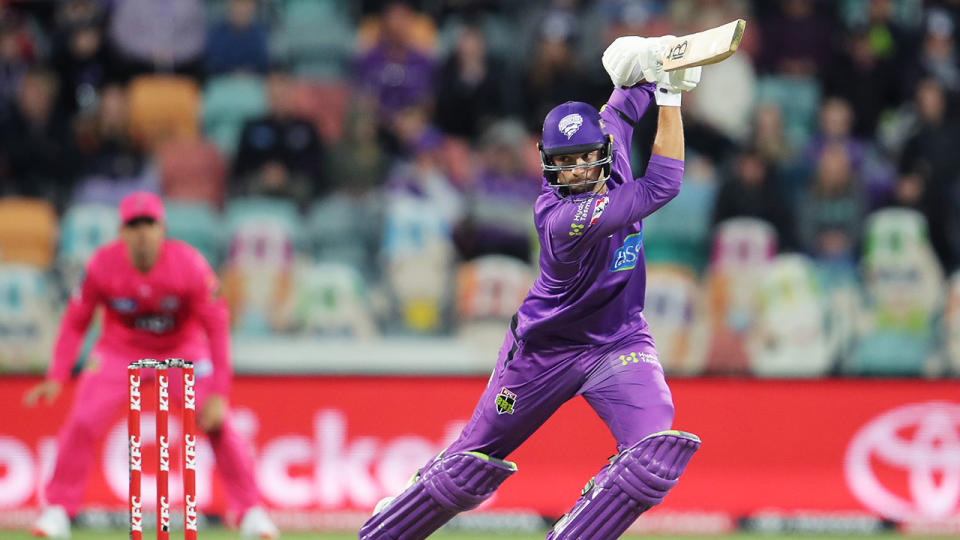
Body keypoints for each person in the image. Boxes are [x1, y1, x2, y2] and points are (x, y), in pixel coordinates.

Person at [360, 34, 703, 540]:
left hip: (619, 339)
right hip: (544, 352)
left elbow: (624, 100)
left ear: (604, 150)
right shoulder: (560, 217)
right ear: (546, 163)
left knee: (655, 454)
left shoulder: (610, 139)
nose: (576, 171)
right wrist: (670, 96)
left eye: (585, 157)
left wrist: (647, 66)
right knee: (468, 467)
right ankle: (389, 525)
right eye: (564, 162)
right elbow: (663, 186)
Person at [24, 192, 278, 539]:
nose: (142, 232)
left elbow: (217, 327)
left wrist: (219, 393)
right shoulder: (101, 265)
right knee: (82, 421)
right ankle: (57, 511)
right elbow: (75, 321)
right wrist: (57, 373)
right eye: (133, 225)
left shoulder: (189, 265)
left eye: (149, 224)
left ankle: (251, 513)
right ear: (122, 232)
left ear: (162, 229)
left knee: (220, 424)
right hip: (119, 350)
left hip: (182, 349)